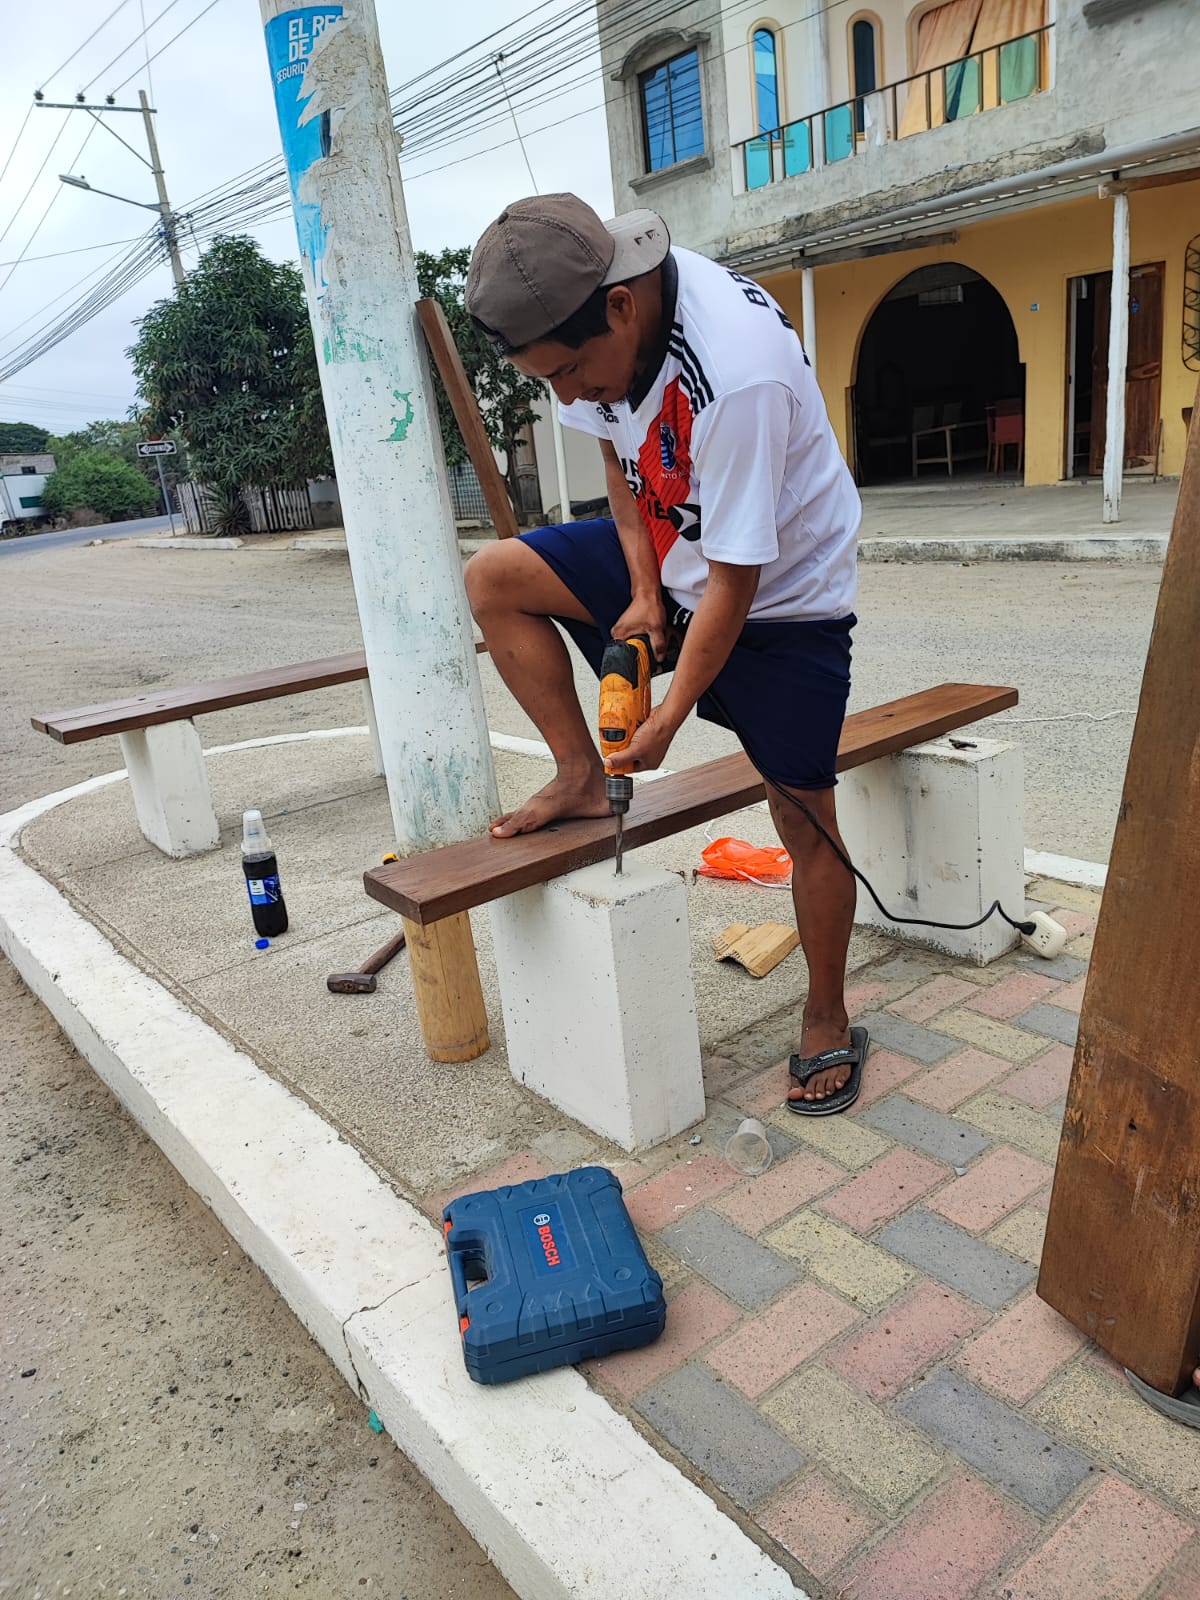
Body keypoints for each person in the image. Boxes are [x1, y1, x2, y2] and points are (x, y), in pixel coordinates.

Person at [463, 194, 866, 1114]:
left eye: (570, 372)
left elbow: (737, 579)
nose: (567, 395)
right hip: (680, 565)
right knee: (496, 577)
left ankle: (827, 1013)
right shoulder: (589, 339)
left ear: (621, 306)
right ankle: (577, 775)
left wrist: (669, 715)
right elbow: (617, 460)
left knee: (804, 821)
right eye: (548, 380)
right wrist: (644, 592)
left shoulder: (736, 374)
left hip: (785, 603)